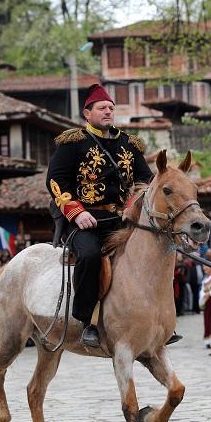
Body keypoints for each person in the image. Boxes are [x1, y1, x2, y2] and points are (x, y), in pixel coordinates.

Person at [46, 83, 156, 348]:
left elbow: (146, 180)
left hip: (122, 220)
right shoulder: (73, 142)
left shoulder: (130, 144)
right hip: (85, 221)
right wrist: (76, 212)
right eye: (102, 108)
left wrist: (132, 205)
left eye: (111, 108)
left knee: (153, 252)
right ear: (87, 113)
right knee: (90, 255)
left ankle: (153, 317)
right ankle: (87, 321)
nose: (108, 112)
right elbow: (55, 181)